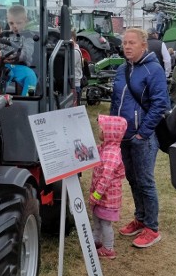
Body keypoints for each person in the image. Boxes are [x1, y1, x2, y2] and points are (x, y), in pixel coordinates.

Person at [110, 27, 170, 249]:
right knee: (132, 180)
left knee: (145, 181)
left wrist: (142, 133)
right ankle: (140, 218)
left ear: (144, 46)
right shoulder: (121, 69)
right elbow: (116, 102)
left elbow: (160, 104)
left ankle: (152, 228)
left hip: (142, 137)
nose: (127, 46)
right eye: (125, 42)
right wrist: (112, 127)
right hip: (123, 136)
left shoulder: (153, 70)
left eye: (132, 43)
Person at [89, 114, 128, 260]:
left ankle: (108, 248)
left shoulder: (111, 154)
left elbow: (106, 178)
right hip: (100, 196)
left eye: (101, 129)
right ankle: (95, 240)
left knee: (105, 223)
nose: (98, 132)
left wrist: (96, 195)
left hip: (107, 197)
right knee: (97, 218)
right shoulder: (106, 148)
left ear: (110, 133)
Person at [3, 4, 37, 96]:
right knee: (0, 74)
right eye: (11, 23)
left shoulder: (29, 37)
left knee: (31, 76)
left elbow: (26, 53)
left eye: (18, 23)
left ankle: (29, 98)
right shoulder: (4, 36)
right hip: (4, 66)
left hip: (21, 67)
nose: (14, 26)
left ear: (25, 22)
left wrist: (15, 56)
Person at [71, 29, 84, 105]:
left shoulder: (75, 52)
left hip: (75, 84)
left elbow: (69, 67)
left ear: (72, 38)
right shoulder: (74, 50)